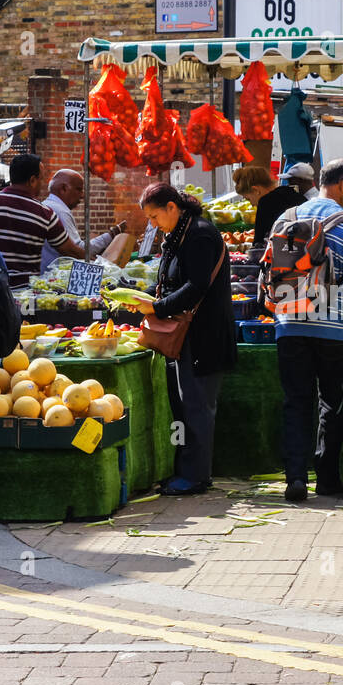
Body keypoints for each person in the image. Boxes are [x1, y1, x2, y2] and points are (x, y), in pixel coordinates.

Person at [126, 183, 236, 496]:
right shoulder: (179, 233)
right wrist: (143, 296)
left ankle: (197, 476)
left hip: (204, 336)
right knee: (182, 408)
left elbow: (196, 286)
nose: (152, 224)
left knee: (196, 407)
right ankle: (183, 470)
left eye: (154, 216)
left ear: (172, 207)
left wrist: (157, 307)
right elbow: (172, 282)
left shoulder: (199, 234)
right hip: (184, 336)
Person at [272, 159, 343, 502]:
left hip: (288, 325)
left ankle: (295, 478)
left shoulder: (285, 219)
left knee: (296, 401)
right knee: (332, 400)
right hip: (333, 330)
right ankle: (327, 478)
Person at [0, 153, 84, 287]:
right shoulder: (44, 213)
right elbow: (70, 250)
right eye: (41, 179)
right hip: (24, 293)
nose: (42, 184)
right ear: (32, 180)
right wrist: (97, 260)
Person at [41, 168, 126, 269]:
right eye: (78, 189)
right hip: (53, 276)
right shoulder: (59, 211)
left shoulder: (48, 206)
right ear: (63, 188)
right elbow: (77, 250)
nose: (82, 195)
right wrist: (111, 234)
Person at [236, 163, 305, 248]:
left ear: (256, 190)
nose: (252, 204)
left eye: (248, 199)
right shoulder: (295, 195)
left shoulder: (265, 203)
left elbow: (258, 243)